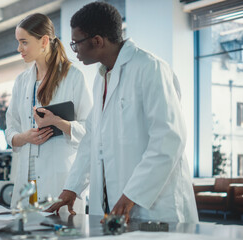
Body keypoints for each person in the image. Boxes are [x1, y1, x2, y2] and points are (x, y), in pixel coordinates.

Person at [46, 2, 198, 223]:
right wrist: (72, 188)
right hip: (113, 206)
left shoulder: (150, 68)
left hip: (155, 208)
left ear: (97, 41)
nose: (74, 50)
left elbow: (169, 139)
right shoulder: (101, 79)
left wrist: (132, 194)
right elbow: (91, 141)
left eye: (75, 43)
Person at [5, 13, 92, 213]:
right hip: (26, 181)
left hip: (59, 179)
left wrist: (59, 122)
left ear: (44, 41)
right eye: (18, 42)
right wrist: (23, 137)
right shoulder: (21, 81)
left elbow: (90, 130)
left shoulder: (73, 77)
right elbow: (10, 129)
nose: (19, 49)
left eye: (24, 42)